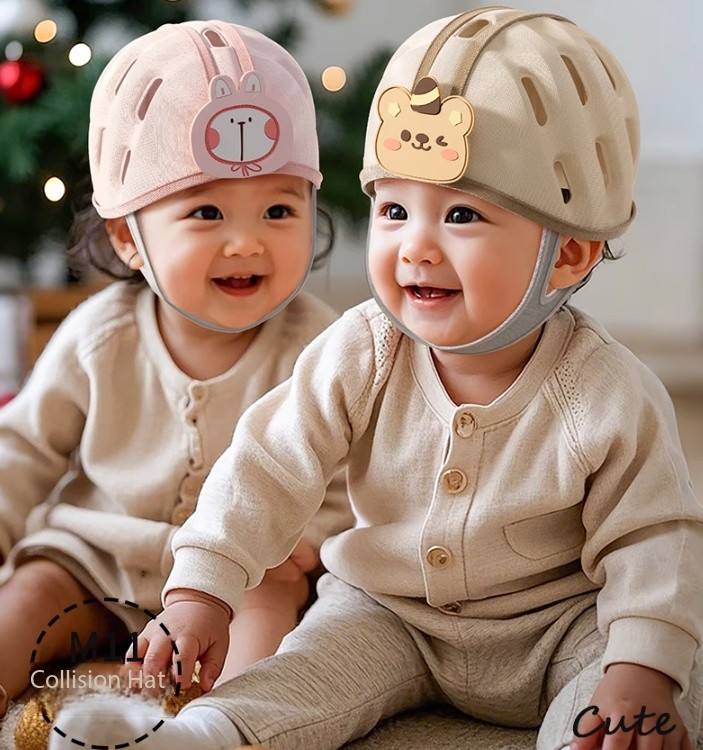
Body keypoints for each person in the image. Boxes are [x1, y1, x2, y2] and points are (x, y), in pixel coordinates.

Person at [50, 6, 703, 750]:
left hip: (560, 629)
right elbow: (266, 468)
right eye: (394, 209)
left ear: (569, 254)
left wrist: (641, 666)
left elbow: (655, 536)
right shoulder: (361, 350)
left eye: (461, 216)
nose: (414, 247)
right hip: (387, 613)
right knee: (304, 673)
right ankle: (201, 738)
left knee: (631, 699)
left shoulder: (605, 391)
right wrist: (203, 590)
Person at [0, 19, 352, 722]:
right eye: (207, 211)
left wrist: (311, 540)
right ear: (129, 236)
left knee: (270, 618)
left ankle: (225, 725)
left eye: (279, 209)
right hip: (96, 557)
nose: (246, 241)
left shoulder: (322, 346)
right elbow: (23, 451)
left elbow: (356, 476)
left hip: (245, 570)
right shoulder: (100, 335)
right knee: (30, 593)